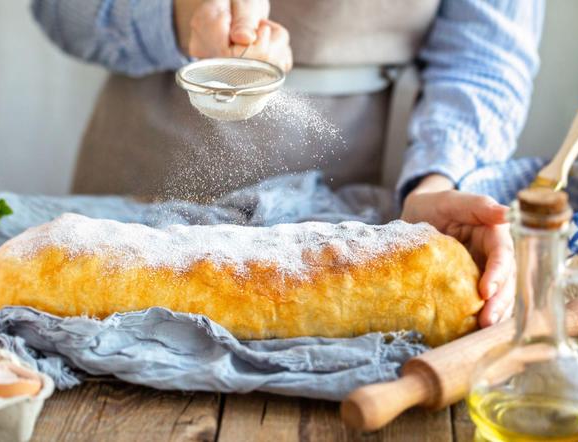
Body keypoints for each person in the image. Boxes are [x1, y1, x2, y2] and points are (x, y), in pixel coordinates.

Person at [31, 0, 544, 328]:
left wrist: (438, 181)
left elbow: (484, 60)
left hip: (362, 195)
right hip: (143, 166)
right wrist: (179, 16)